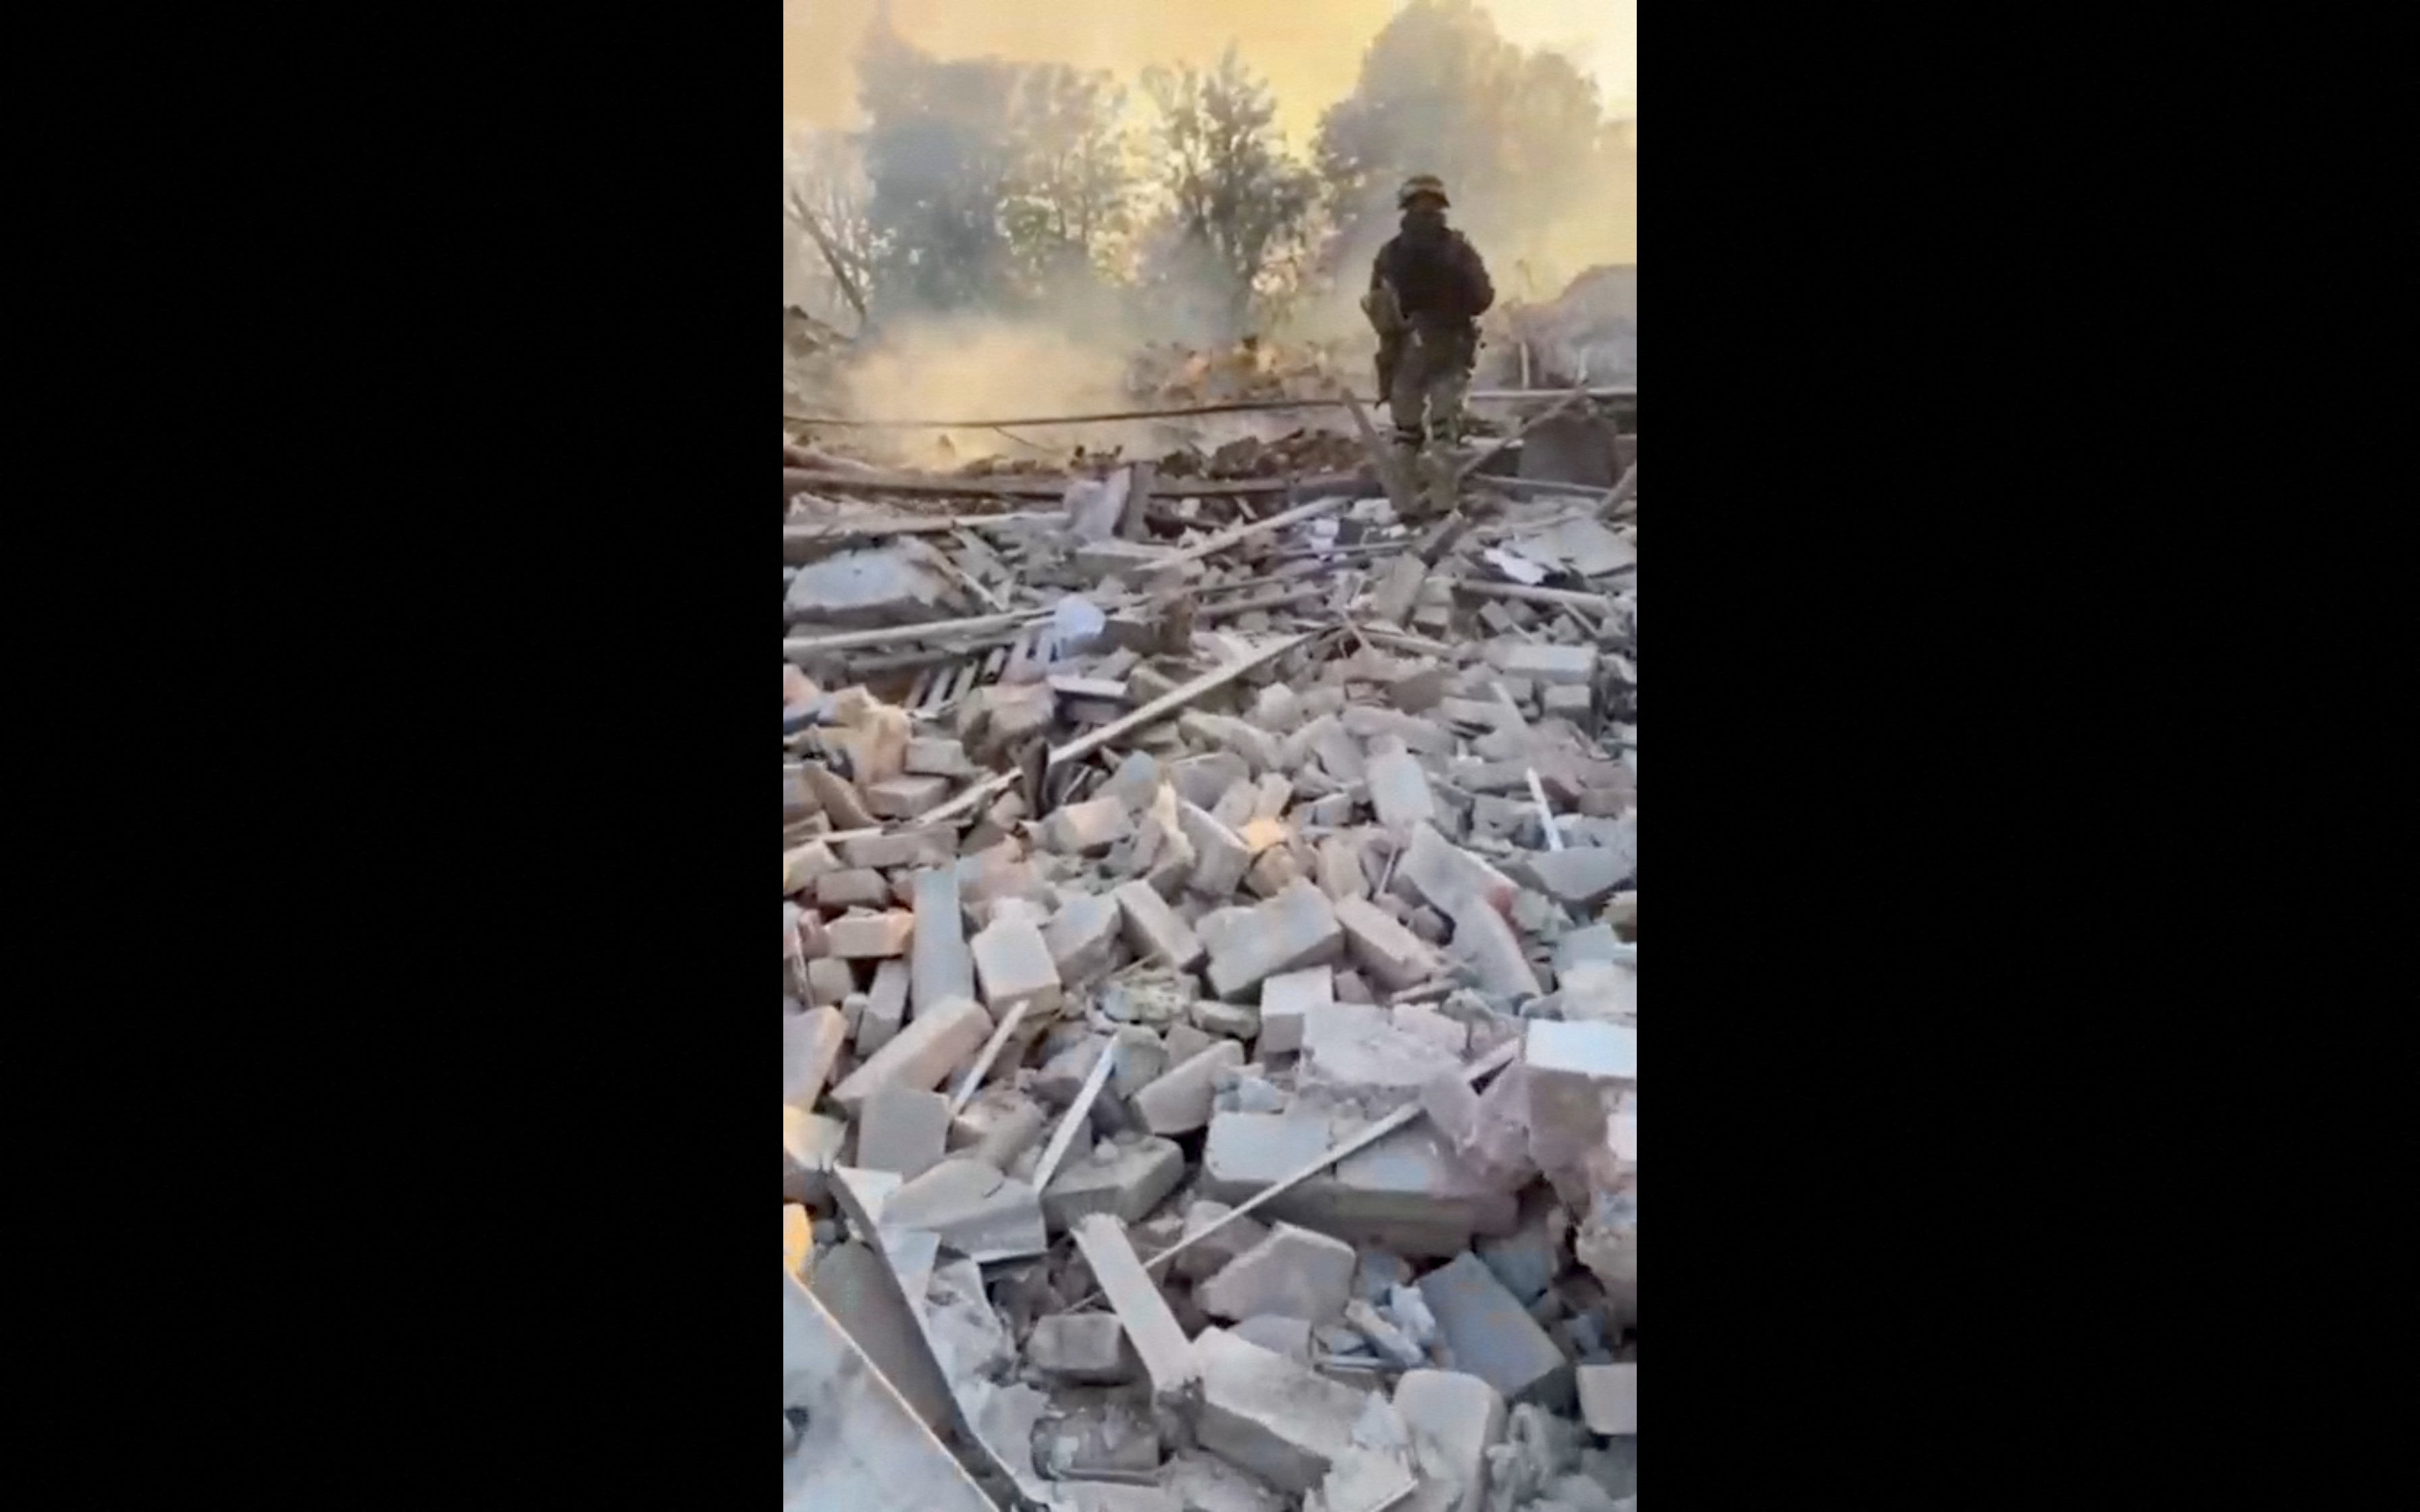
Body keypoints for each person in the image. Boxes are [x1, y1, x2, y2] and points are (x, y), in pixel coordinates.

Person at [1364, 175, 1495, 456]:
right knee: (1445, 438)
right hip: (1451, 347)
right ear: (1441, 207)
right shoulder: (1459, 250)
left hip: (1407, 351)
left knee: (1406, 438)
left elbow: (1378, 309)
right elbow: (1483, 298)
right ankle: (1444, 499)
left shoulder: (1390, 254)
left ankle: (1407, 497)